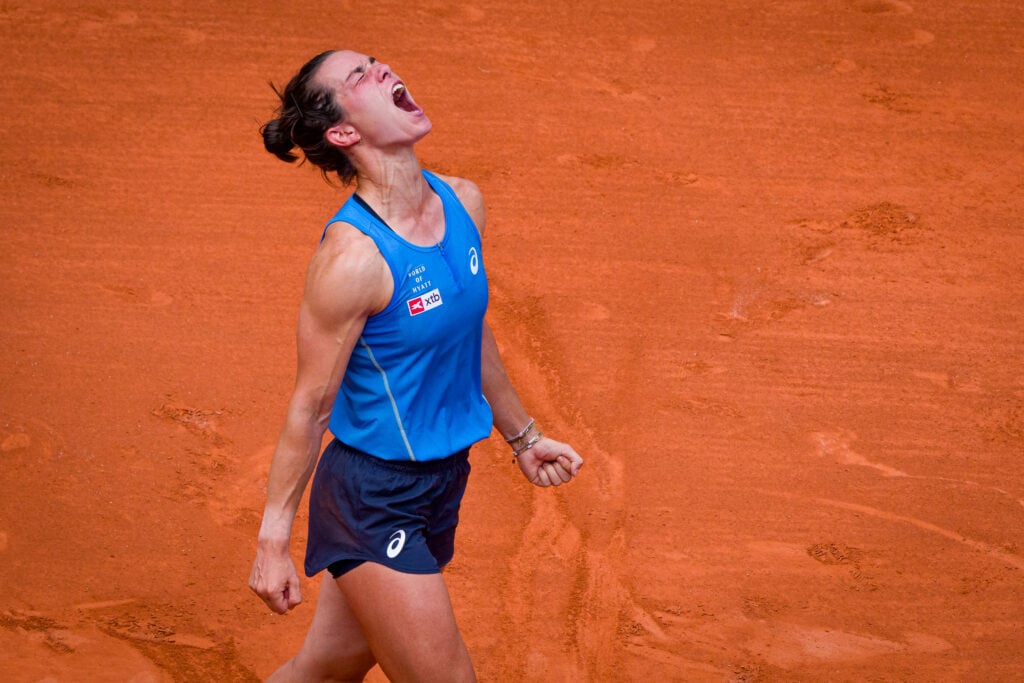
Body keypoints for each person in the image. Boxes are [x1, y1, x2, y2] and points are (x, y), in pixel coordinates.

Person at [248, 49, 585, 682]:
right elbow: (310, 407)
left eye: (376, 63)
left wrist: (523, 436)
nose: (381, 70)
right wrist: (272, 542)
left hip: (441, 482)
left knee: (326, 668)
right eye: (359, 76)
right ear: (342, 133)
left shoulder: (462, 202)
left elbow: (467, 335)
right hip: (374, 497)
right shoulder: (354, 260)